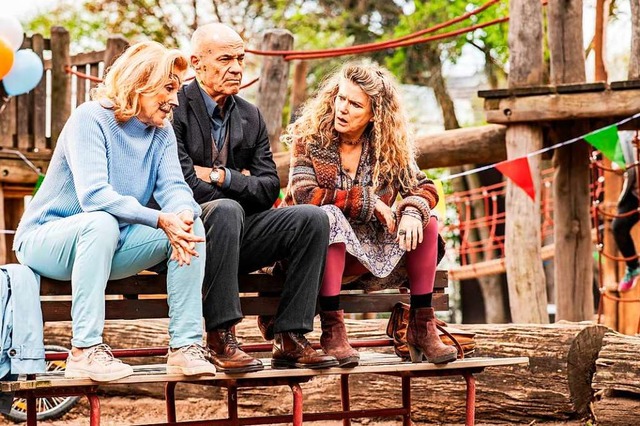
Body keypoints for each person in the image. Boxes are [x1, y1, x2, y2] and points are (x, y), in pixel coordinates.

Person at [13, 41, 216, 382]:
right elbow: (94, 195)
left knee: (190, 221)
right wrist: (158, 218)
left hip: (109, 244)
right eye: (168, 88)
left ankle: (184, 346)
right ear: (140, 83)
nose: (175, 100)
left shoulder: (161, 131)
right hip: (47, 241)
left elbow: (174, 188)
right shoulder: (90, 118)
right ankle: (85, 350)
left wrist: (179, 214)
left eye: (177, 90)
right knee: (101, 222)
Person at [173, 23, 338, 371]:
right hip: (187, 236)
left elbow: (267, 189)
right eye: (224, 59)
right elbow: (183, 183)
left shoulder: (250, 114)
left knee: (312, 218)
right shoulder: (176, 109)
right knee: (226, 209)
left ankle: (289, 335)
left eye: (240, 58)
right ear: (197, 63)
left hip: (240, 231)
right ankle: (221, 337)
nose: (235, 67)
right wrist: (239, 185)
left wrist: (220, 175)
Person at [282, 62, 457, 365]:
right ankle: (333, 331)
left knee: (427, 220)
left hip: (369, 256)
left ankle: (422, 325)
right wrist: (368, 201)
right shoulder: (309, 137)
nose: (342, 108)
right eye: (340, 98)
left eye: (354, 104)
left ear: (375, 113)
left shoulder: (388, 147)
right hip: (315, 255)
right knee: (329, 218)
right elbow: (304, 195)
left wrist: (413, 211)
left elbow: (425, 187)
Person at [612, 131, 640, 292]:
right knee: (618, 227)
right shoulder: (624, 134)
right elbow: (617, 162)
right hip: (635, 193)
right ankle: (633, 267)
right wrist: (618, 166)